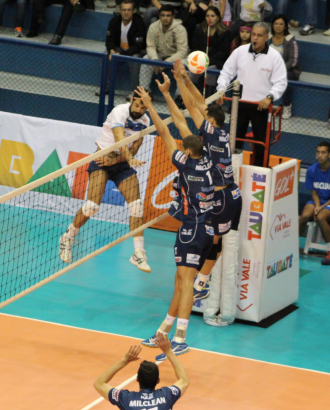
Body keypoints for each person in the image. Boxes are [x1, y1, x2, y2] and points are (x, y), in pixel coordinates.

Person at [138, 77, 214, 358]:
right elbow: (182, 126)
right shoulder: (208, 160)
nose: (179, 150)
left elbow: (165, 133)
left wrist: (150, 106)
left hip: (191, 230)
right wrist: (167, 95)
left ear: (189, 153)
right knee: (180, 282)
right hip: (204, 230)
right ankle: (163, 332)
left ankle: (180, 337)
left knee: (185, 284)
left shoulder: (186, 165)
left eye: (184, 149)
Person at [172, 59, 242, 326]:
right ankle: (202, 281)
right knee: (219, 240)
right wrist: (188, 79)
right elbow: (201, 105)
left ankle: (200, 281)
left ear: (210, 122)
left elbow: (192, 106)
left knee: (212, 238)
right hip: (232, 194)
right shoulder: (222, 133)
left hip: (218, 196)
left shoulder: (210, 132)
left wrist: (180, 79)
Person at [59, 95, 152, 273]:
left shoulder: (145, 120)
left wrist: (120, 159)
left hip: (121, 165)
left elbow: (136, 145)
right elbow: (119, 138)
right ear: (132, 100)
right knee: (92, 206)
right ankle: (68, 237)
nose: (139, 110)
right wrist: (125, 158)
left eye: (143, 107)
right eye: (138, 104)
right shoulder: (120, 111)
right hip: (102, 161)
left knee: (137, 207)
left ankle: (138, 253)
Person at [217, 22, 287, 167]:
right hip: (239, 105)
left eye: (259, 35)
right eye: (253, 34)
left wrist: (270, 97)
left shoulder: (275, 57)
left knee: (261, 144)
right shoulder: (240, 51)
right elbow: (226, 72)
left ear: (267, 37)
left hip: (260, 107)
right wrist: (221, 89)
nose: (255, 38)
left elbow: (281, 82)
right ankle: (231, 172)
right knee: (234, 142)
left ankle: (259, 174)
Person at [93, 335, 189, 410]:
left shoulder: (126, 398)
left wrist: (124, 361)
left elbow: (99, 383)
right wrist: (168, 351)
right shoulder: (168, 394)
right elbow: (184, 380)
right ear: (158, 380)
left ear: (137, 379)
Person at [299, 142, 330, 266]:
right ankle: (290, 246)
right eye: (318, 152)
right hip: (317, 201)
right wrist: (317, 205)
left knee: (320, 217)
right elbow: (313, 192)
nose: (319, 155)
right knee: (304, 216)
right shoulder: (311, 170)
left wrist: (322, 207)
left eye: (323, 152)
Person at [139, 6, 188, 96]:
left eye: (168, 15)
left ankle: (180, 96)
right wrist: (155, 60)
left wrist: (166, 63)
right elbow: (150, 46)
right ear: (159, 16)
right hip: (159, 56)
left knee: (184, 65)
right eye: (163, 15)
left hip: (175, 59)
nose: (165, 18)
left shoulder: (180, 30)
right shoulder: (153, 27)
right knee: (146, 59)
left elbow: (182, 52)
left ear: (173, 17)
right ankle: (144, 91)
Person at [105, 0, 147, 100]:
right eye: (124, 10)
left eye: (129, 10)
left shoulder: (139, 23)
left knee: (135, 59)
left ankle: (134, 91)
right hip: (119, 49)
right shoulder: (114, 21)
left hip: (136, 50)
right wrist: (111, 51)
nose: (126, 12)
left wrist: (121, 53)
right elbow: (109, 40)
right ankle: (107, 87)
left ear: (134, 11)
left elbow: (138, 46)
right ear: (120, 10)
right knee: (105, 55)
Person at [189, 6, 232, 97]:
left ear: (218, 17)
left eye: (212, 16)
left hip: (216, 61)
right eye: (207, 16)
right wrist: (201, 60)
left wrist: (207, 61)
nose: (210, 18)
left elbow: (223, 53)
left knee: (211, 70)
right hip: (200, 60)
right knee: (190, 70)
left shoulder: (225, 32)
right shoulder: (199, 29)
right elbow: (195, 47)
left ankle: (207, 97)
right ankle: (186, 97)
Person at [268, 14, 301, 119]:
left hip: (287, 70)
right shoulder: (267, 38)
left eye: (281, 24)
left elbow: (293, 60)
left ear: (285, 26)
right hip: (269, 69)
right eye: (276, 23)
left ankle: (287, 106)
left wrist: (279, 70)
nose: (278, 26)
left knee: (286, 78)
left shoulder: (290, 39)